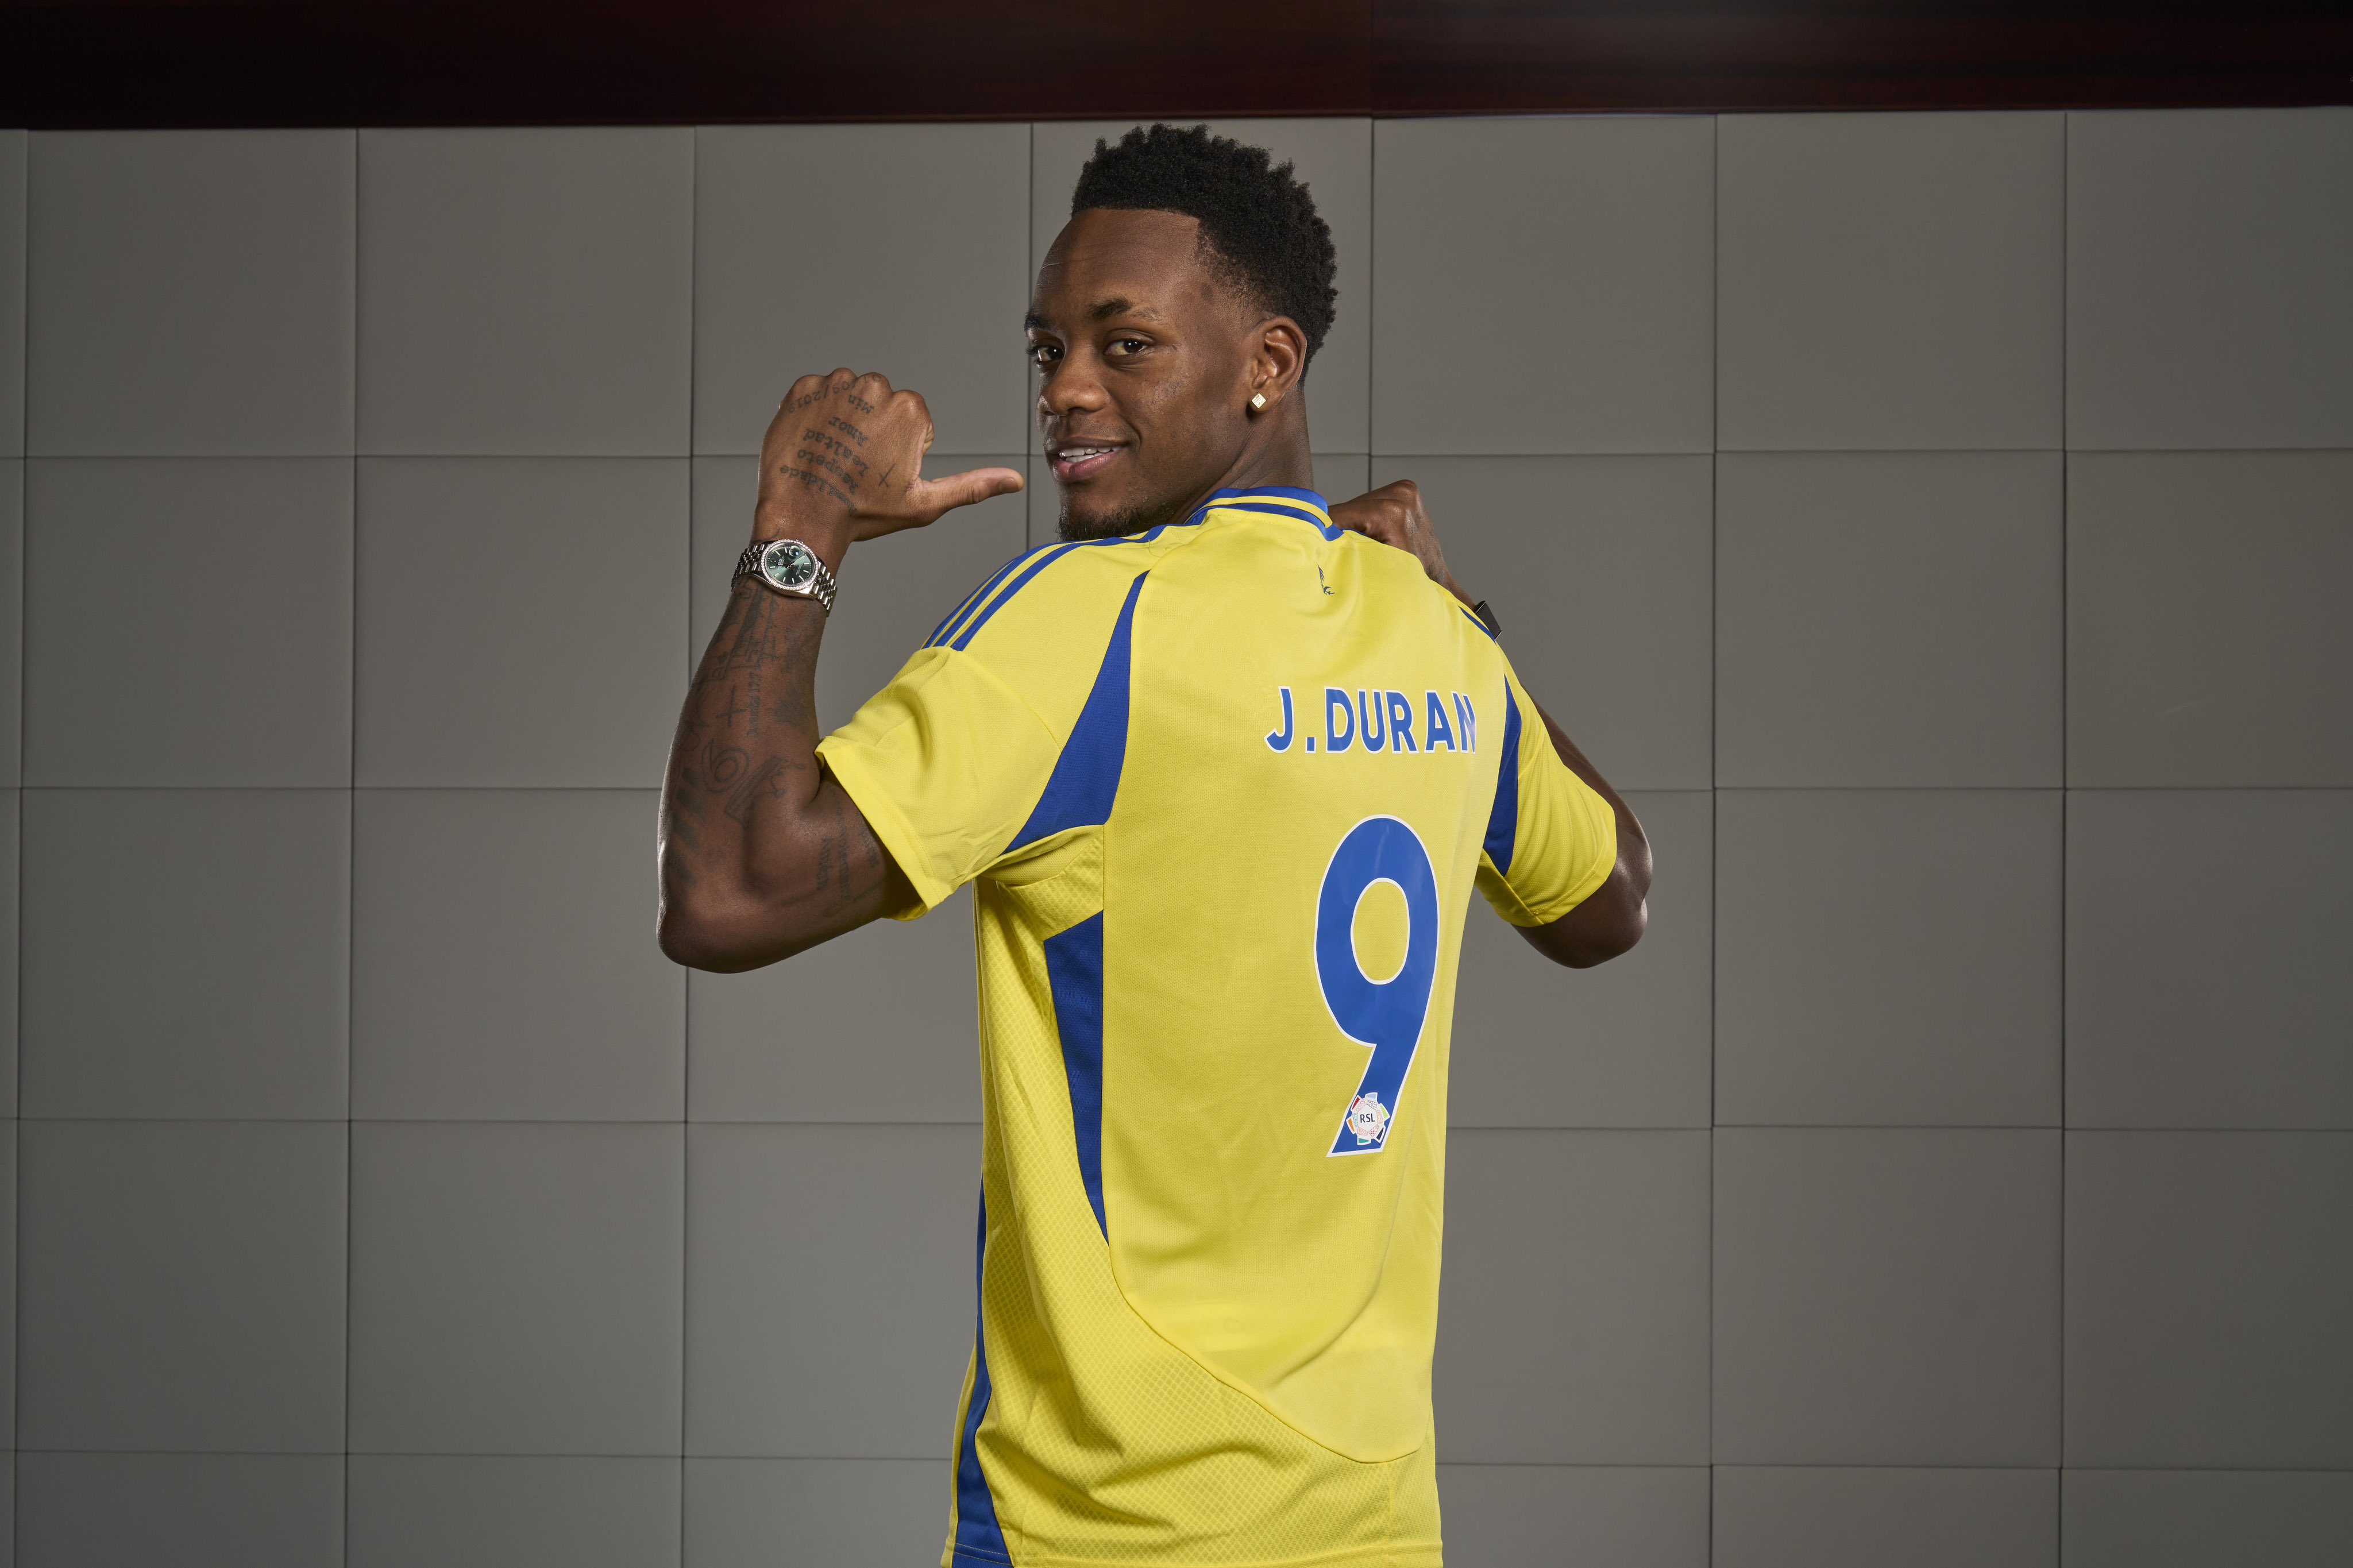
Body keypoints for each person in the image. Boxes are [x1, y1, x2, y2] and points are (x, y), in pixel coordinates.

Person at [658, 123, 1651, 1568]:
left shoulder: (1079, 619)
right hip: (1369, 1523)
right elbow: (1609, 899)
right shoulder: (1431, 637)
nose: (1064, 386)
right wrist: (1459, 613)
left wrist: (800, 516)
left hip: (1106, 1529)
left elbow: (722, 891)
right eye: (1047, 347)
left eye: (1124, 345)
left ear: (1267, 363)